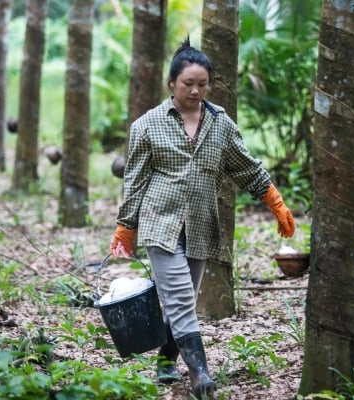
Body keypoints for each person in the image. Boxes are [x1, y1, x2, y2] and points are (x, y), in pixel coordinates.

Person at [110, 39, 296, 399]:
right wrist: (125, 227)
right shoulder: (147, 125)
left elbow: (244, 165)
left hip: (200, 223)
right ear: (171, 84)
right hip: (160, 222)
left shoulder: (220, 123)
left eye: (202, 84)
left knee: (185, 300)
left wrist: (274, 200)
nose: (195, 91)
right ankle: (201, 376)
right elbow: (134, 181)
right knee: (180, 299)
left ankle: (166, 358)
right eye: (187, 84)